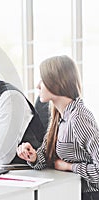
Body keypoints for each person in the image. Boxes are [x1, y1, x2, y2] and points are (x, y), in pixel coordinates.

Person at [16, 55, 99, 200]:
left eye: (43, 80)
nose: (37, 86)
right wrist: (33, 156)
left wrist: (69, 166)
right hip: (71, 191)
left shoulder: (79, 118)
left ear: (56, 83)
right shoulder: (58, 116)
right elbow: (47, 159)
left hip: (89, 195)